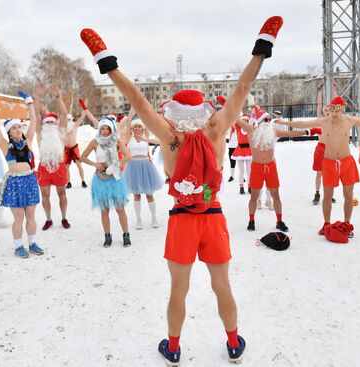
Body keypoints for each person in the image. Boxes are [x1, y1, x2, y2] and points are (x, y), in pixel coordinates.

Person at [80, 15, 283, 365]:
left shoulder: (170, 135)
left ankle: (173, 347)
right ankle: (234, 343)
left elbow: (139, 101)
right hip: (213, 216)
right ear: (203, 109)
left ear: (174, 110)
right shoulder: (216, 129)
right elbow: (242, 89)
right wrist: (262, 48)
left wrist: (107, 62)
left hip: (182, 219)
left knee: (179, 288)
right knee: (223, 286)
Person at [284, 96, 360, 238]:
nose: (334, 114)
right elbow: (304, 124)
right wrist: (283, 122)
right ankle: (326, 223)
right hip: (329, 162)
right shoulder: (324, 121)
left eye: (337, 110)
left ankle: (347, 224)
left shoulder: (349, 120)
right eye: (332, 110)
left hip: (346, 161)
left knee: (348, 195)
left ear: (342, 110)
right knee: (328, 195)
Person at [0, 87, 43, 258]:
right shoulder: (5, 145)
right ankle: (18, 246)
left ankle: (32, 242)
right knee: (19, 218)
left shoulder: (29, 141)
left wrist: (30, 103)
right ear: (9, 132)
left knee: (31, 215)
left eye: (19, 127)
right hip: (15, 182)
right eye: (15, 128)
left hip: (29, 180)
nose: (19, 129)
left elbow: (33, 122)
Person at [238, 106, 310, 232]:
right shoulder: (252, 131)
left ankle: (279, 221)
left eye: (269, 119)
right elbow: (237, 120)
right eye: (265, 120)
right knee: (254, 196)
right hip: (257, 167)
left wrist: (307, 132)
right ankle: (251, 220)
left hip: (270, 167)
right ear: (259, 121)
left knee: (275, 194)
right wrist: (227, 107)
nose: (268, 122)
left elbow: (290, 133)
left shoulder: (273, 131)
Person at [80, 116, 131, 246]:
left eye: (107, 128)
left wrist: (117, 164)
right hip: (100, 178)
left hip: (114, 178)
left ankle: (126, 235)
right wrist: (95, 164)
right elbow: (82, 157)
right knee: (104, 210)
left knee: (120, 209)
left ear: (110, 129)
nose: (104, 131)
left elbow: (128, 156)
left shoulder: (116, 141)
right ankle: (107, 236)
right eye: (102, 128)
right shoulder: (94, 142)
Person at [34, 84, 71, 230]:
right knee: (45, 195)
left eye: (52, 122)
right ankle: (48, 219)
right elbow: (36, 115)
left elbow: (63, 114)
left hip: (59, 166)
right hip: (44, 167)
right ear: (44, 124)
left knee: (62, 193)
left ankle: (64, 217)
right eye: (47, 122)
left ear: (55, 124)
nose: (49, 123)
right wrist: (37, 97)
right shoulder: (40, 134)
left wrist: (59, 97)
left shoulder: (60, 133)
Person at [119, 111, 163, 229]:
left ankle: (154, 217)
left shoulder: (146, 136)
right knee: (136, 195)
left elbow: (148, 124)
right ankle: (138, 219)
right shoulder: (130, 137)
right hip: (133, 167)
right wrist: (131, 113)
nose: (137, 128)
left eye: (139, 126)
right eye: (135, 127)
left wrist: (143, 111)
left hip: (145, 166)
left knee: (149, 194)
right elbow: (128, 123)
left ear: (142, 127)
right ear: (133, 128)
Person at [312, 83, 337, 205]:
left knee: (330, 174)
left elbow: (337, 105)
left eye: (329, 110)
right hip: (320, 148)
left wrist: (334, 89)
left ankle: (329, 194)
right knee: (319, 173)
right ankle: (317, 193)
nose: (327, 111)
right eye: (325, 110)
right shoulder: (320, 120)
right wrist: (320, 92)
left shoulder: (333, 121)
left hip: (330, 149)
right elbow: (319, 104)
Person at [64, 111, 88, 189]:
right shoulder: (63, 128)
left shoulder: (74, 125)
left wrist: (83, 114)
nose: (68, 121)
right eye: (67, 120)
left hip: (74, 148)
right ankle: (68, 182)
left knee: (79, 165)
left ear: (71, 120)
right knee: (66, 167)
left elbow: (81, 119)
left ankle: (83, 181)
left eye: (69, 120)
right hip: (66, 149)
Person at [231, 114, 253, 195]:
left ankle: (250, 187)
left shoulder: (250, 128)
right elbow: (236, 120)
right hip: (240, 151)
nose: (244, 122)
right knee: (241, 171)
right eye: (243, 120)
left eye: (246, 120)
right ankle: (241, 188)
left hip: (248, 151)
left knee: (249, 171)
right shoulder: (238, 127)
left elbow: (253, 122)